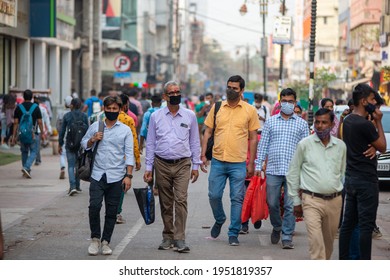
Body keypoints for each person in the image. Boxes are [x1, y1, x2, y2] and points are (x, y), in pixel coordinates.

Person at [200, 75, 260, 246]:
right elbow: (208, 132)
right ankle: (219, 219)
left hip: (238, 163)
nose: (231, 90)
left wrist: (251, 163)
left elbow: (253, 138)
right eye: (229, 87)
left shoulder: (250, 111)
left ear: (242, 91)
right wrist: (203, 154)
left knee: (237, 198)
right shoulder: (217, 107)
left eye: (235, 88)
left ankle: (233, 232)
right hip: (218, 160)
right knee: (214, 195)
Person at [144, 81, 201, 253]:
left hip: (183, 163)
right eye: (171, 92)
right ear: (164, 96)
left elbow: (194, 141)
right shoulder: (156, 116)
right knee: (166, 202)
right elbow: (151, 143)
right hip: (161, 163)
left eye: (177, 91)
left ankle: (179, 238)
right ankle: (168, 236)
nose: (175, 94)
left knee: (181, 200)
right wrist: (148, 168)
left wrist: (196, 164)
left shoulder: (189, 115)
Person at [286, 108, 346, 259]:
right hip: (311, 200)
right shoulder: (304, 145)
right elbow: (293, 173)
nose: (320, 126)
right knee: (316, 244)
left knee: (328, 245)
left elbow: (343, 174)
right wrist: (296, 201)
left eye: (324, 122)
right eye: (317, 122)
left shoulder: (341, 147)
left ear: (332, 124)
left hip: (335, 202)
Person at [255, 88, 309, 249]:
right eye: (284, 101)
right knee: (272, 203)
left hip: (294, 172)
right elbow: (263, 145)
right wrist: (258, 165)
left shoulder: (302, 124)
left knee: (290, 205)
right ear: (279, 102)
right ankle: (277, 226)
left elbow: (306, 149)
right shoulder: (271, 121)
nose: (287, 104)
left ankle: (287, 236)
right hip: (273, 169)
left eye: (290, 101)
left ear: (295, 103)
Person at [81, 95, 134, 256]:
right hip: (97, 175)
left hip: (117, 176)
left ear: (120, 110)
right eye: (109, 109)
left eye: (114, 109)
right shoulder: (96, 126)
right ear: (104, 109)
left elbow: (129, 153)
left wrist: (128, 176)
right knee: (94, 207)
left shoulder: (125, 130)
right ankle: (95, 239)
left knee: (112, 212)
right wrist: (92, 139)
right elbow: (84, 144)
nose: (111, 111)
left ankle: (105, 242)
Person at [339, 83, 386, 260]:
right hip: (366, 181)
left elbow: (371, 145)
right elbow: (382, 146)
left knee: (348, 224)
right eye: (373, 99)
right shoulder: (364, 124)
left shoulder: (349, 120)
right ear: (364, 101)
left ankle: (344, 260)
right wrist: (379, 121)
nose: (375, 102)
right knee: (365, 227)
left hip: (351, 179)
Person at [116, 93, 141, 224]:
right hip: (124, 158)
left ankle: (111, 210)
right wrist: (137, 159)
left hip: (108, 158)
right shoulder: (129, 119)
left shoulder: (103, 117)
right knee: (121, 186)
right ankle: (117, 212)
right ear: (125, 105)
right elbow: (134, 140)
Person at [59, 98, 89, 196]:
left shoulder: (67, 116)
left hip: (70, 144)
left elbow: (62, 131)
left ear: (71, 105)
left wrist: (60, 144)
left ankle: (72, 187)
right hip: (81, 145)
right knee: (78, 165)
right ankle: (77, 186)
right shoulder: (84, 116)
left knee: (71, 165)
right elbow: (88, 131)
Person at [11, 90, 44, 179]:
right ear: (32, 97)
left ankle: (26, 170)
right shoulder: (36, 107)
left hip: (22, 134)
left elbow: (15, 123)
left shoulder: (18, 107)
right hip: (34, 133)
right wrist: (43, 133)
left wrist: (14, 136)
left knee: (24, 151)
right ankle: (26, 167)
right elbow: (40, 122)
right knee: (34, 151)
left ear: (23, 97)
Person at [57, 96, 73, 179]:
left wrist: (59, 134)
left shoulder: (61, 113)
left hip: (63, 135)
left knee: (62, 153)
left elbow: (58, 125)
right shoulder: (73, 113)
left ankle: (62, 167)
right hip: (72, 136)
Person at [34, 97, 52, 166]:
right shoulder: (42, 109)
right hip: (38, 130)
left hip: (37, 130)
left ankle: (37, 159)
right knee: (36, 146)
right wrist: (48, 130)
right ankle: (37, 159)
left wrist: (48, 129)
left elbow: (46, 120)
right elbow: (47, 120)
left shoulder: (42, 109)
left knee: (36, 146)